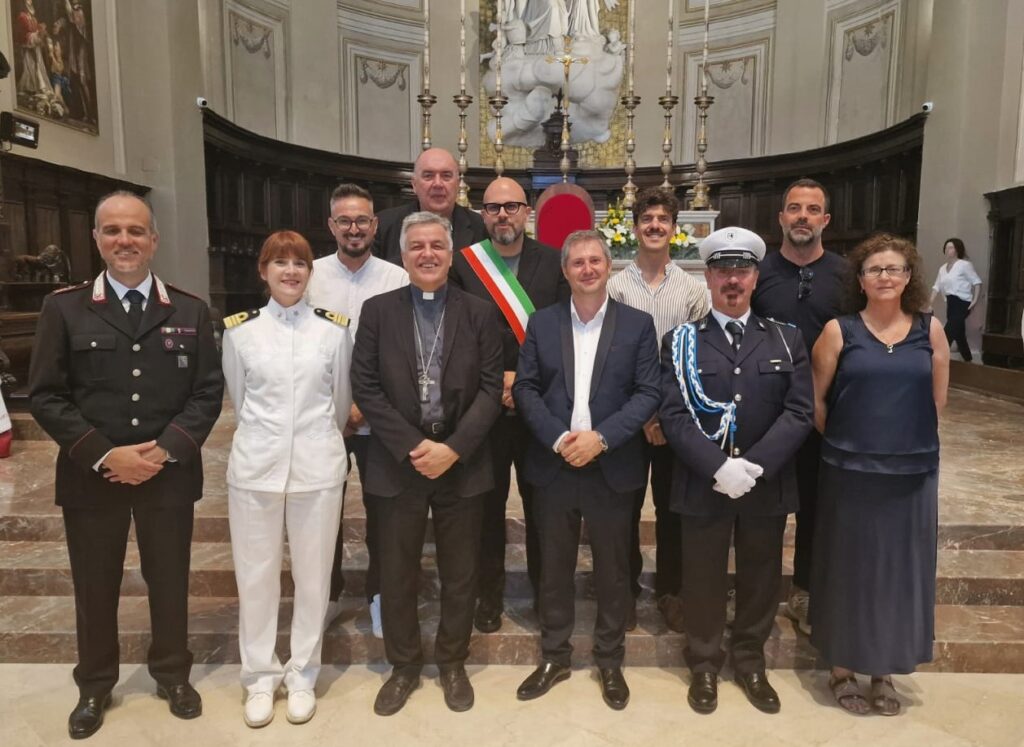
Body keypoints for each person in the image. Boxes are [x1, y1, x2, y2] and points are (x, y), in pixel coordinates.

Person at [29, 192, 223, 740]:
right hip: (92, 477)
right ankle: (94, 684)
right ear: (96, 239)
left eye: (136, 231)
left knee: (170, 579)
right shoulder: (64, 308)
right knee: (95, 586)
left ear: (153, 240)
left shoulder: (189, 309)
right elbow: (46, 395)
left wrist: (163, 451)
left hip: (168, 474)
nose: (125, 241)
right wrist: (104, 453)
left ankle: (172, 675)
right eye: (112, 230)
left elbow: (207, 392)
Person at [351, 212, 503, 715]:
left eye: (436, 245)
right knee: (396, 571)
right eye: (417, 246)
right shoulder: (377, 311)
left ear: (451, 252)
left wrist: (453, 448)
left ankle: (453, 662)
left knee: (461, 572)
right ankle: (404, 666)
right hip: (399, 462)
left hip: (462, 462)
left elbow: (490, 389)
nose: (427, 254)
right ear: (403, 255)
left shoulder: (479, 312)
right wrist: (412, 446)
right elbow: (365, 385)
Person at [659, 227, 813, 715]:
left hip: (765, 484)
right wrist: (718, 466)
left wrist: (754, 466)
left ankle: (750, 662)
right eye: (723, 270)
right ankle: (704, 663)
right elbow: (673, 414)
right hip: (704, 482)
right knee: (701, 577)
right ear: (707, 277)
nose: (732, 279)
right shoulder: (680, 341)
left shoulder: (787, 338)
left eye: (741, 270)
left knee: (760, 577)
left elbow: (800, 411)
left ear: (755, 277)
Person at [513, 230, 660, 711]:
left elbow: (648, 392)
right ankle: (554, 656)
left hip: (612, 464)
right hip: (554, 464)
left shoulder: (638, 325)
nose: (588, 269)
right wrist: (559, 438)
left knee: (613, 571)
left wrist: (602, 438)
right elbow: (526, 388)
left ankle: (610, 661)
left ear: (609, 266)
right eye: (578, 262)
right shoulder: (542, 322)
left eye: (595, 260)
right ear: (565, 271)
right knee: (553, 568)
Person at [811, 233, 949, 716]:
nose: (885, 277)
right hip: (851, 470)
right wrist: (854, 440)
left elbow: (936, 400)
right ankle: (842, 667)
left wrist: (900, 441)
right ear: (861, 279)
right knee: (849, 568)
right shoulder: (839, 331)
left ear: (909, 277)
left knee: (898, 571)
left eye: (894, 269)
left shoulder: (930, 330)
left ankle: (884, 669)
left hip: (910, 472)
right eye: (875, 269)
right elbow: (817, 401)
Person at [222, 230, 353, 728]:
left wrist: (314, 442)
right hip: (256, 469)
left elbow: (340, 403)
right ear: (264, 271)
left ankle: (302, 674)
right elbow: (239, 398)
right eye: (280, 263)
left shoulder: (333, 331)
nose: (291, 271)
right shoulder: (240, 331)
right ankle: (259, 677)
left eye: (299, 263)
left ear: (309, 272)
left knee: (314, 578)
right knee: (255, 577)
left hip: (317, 469)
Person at [449, 176, 569, 633]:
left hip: (540, 406)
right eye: (493, 207)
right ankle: (488, 595)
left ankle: (545, 593)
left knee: (544, 509)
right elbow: (457, 334)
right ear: (482, 214)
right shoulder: (464, 264)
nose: (503, 215)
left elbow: (563, 330)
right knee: (486, 509)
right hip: (484, 408)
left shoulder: (554, 262)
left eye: (512, 206)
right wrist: (495, 378)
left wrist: (524, 378)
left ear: (527, 212)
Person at [306, 183, 409, 638]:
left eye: (362, 220)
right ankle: (325, 598)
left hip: (379, 420)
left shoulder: (397, 278)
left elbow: (403, 353)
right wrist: (336, 408)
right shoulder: (309, 276)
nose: (354, 228)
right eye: (345, 221)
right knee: (320, 514)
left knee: (384, 516)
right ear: (331, 225)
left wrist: (364, 406)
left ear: (375, 225)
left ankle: (381, 597)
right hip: (320, 419)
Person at [607, 186, 709, 633]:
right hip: (626, 418)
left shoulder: (693, 290)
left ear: (674, 228)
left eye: (662, 219)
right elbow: (610, 357)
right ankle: (624, 590)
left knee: (672, 510)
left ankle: (672, 591)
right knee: (622, 510)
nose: (654, 226)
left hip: (674, 421)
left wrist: (665, 414)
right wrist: (640, 414)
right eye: (646, 219)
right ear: (634, 228)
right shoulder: (613, 286)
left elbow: (697, 359)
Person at [750, 177, 847, 635]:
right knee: (760, 507)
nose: (802, 217)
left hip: (824, 414)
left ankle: (806, 589)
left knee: (817, 506)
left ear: (825, 219)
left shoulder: (847, 275)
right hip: (767, 415)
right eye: (794, 208)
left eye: (811, 210)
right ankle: (756, 593)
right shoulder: (759, 273)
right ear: (781, 218)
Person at [373, 148, 487, 266]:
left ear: (458, 184)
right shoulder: (383, 226)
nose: (438, 184)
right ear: (414, 184)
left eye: (446, 176)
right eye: (428, 176)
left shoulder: (481, 227)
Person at [928, 237, 982, 363]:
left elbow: (977, 282)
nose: (948, 250)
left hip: (963, 303)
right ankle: (968, 361)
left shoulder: (964, 265)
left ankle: (935, 363)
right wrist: (929, 303)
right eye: (946, 247)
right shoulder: (942, 268)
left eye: (951, 247)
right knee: (959, 334)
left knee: (947, 334)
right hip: (951, 303)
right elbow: (936, 286)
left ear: (957, 249)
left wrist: (974, 301)